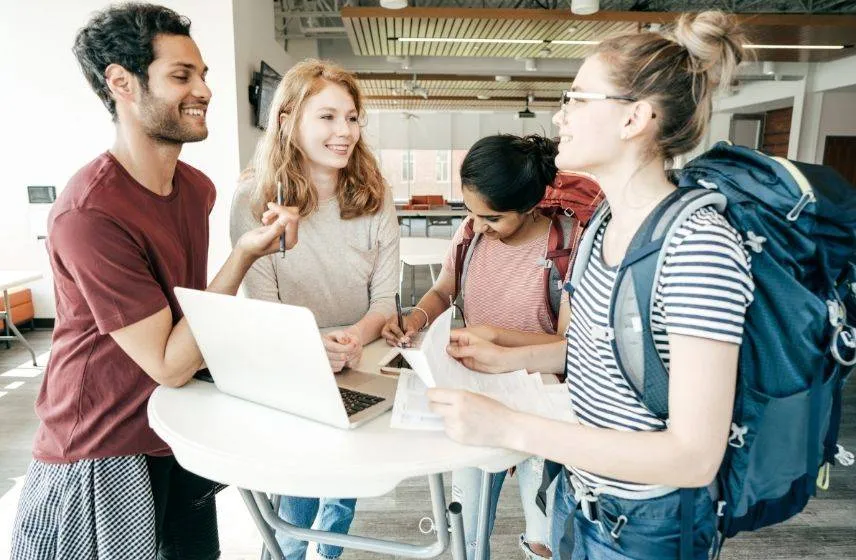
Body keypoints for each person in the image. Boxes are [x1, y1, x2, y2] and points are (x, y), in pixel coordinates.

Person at [427, 11, 755, 560]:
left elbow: (695, 456)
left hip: (648, 527)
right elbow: (600, 353)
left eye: (578, 99)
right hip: (579, 499)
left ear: (634, 119)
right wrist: (502, 354)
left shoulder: (697, 245)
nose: (560, 117)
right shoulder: (603, 224)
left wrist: (510, 426)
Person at [10, 4, 298, 560]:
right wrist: (241, 256)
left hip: (174, 427)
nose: (204, 90)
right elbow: (168, 357)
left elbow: (183, 324)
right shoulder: (89, 213)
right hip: (103, 446)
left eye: (203, 74)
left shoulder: (195, 189)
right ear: (121, 82)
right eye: (181, 76)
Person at [230, 59, 398, 560]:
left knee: (341, 496)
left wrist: (353, 337)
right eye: (327, 117)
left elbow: (384, 301)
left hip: (359, 355)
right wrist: (311, 347)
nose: (344, 132)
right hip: (291, 362)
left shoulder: (375, 194)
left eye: (351, 117)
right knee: (296, 505)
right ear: (287, 119)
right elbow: (262, 307)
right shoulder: (253, 198)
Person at [382, 134, 573, 560]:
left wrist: (493, 336)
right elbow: (442, 291)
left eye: (492, 217)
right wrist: (416, 318)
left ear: (529, 206)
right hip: (473, 391)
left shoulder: (566, 247)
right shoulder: (470, 233)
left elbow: (567, 343)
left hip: (539, 403)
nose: (478, 224)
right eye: (471, 211)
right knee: (466, 522)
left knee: (544, 532)